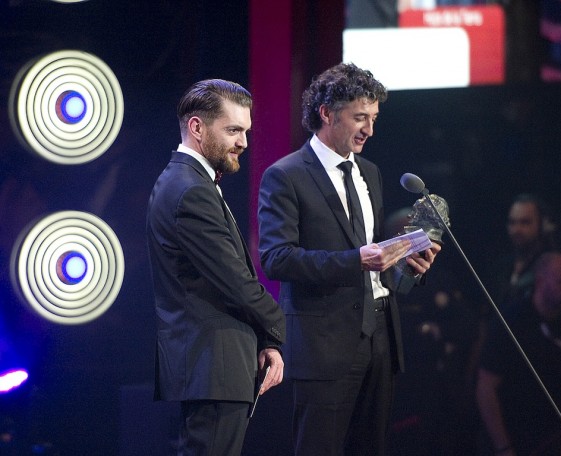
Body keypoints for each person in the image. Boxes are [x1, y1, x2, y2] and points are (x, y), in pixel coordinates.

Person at [257, 62, 441, 455]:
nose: (369, 130)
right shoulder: (285, 176)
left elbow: (373, 255)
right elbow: (276, 259)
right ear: (326, 113)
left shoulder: (370, 172)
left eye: (373, 118)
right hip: (323, 347)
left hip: (380, 338)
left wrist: (407, 263)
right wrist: (355, 260)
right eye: (360, 117)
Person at [146, 79, 286, 456]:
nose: (243, 141)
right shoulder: (189, 189)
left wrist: (265, 340)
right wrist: (279, 326)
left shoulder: (186, 182)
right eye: (233, 130)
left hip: (215, 367)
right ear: (196, 127)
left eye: (245, 131)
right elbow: (237, 282)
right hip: (212, 367)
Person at [476, 252, 561, 456]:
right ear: (541, 281)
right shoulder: (511, 321)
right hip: (520, 432)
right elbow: (486, 388)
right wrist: (503, 447)